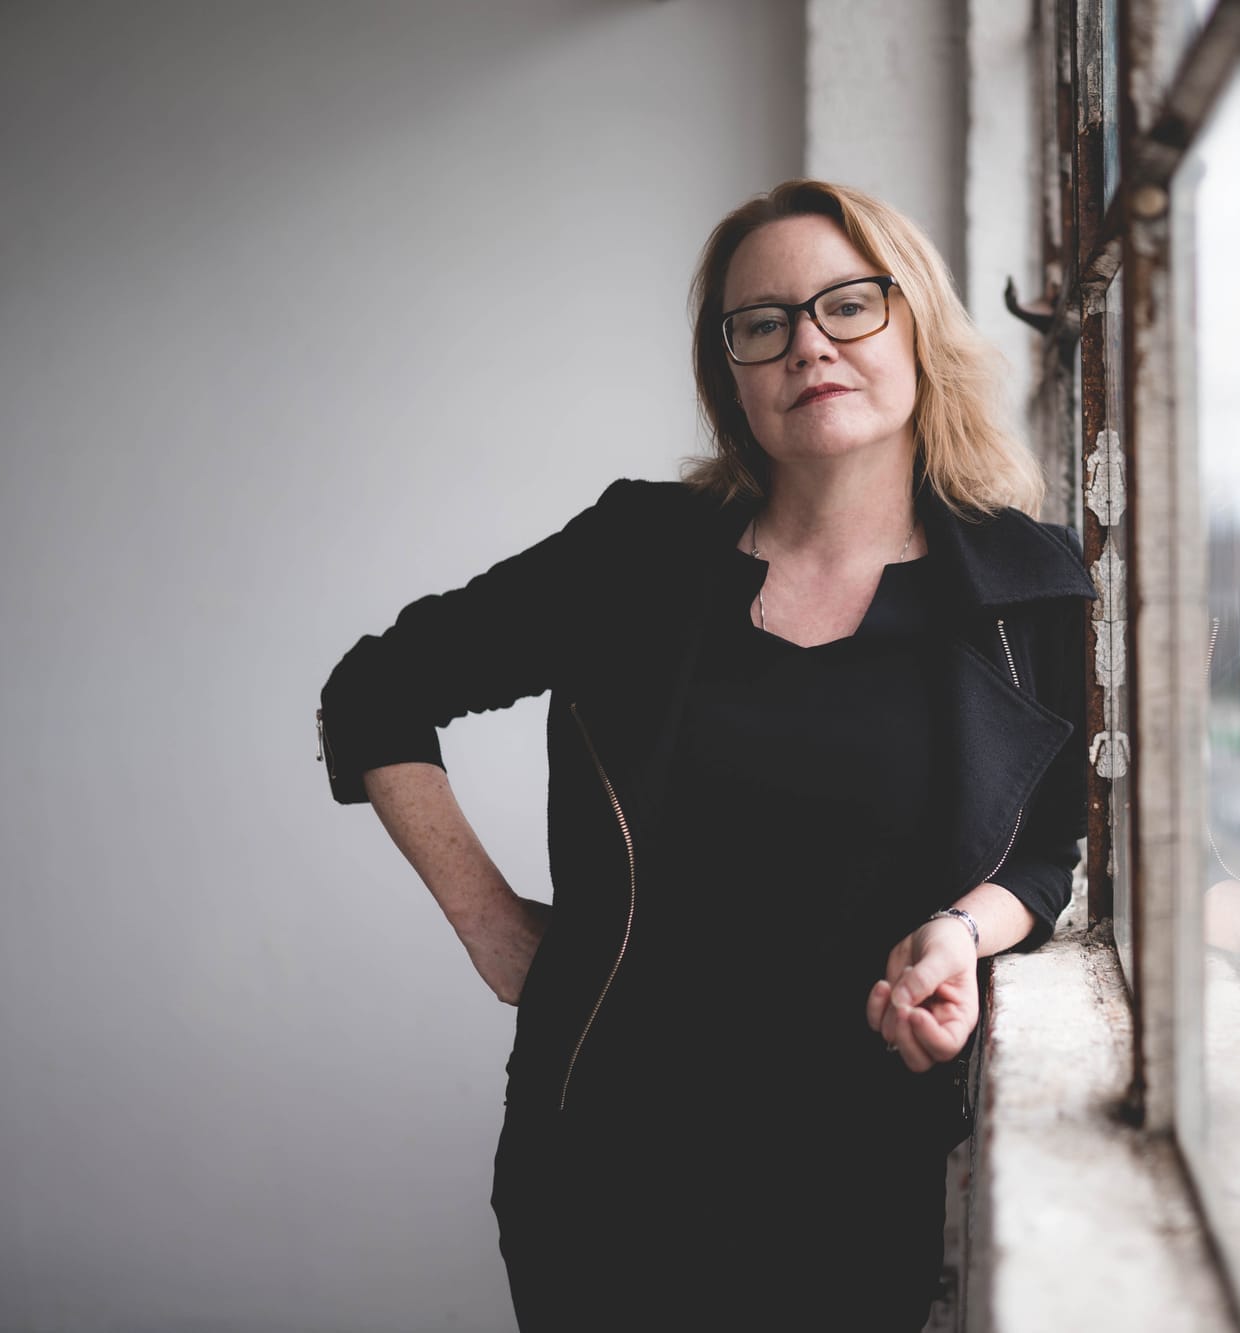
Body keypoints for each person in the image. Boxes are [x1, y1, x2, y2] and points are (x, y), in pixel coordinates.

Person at [317, 178, 1094, 1330]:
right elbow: (376, 690)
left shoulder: (1025, 590)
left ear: (915, 321)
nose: (806, 345)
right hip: (603, 1169)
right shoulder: (635, 555)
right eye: (762, 322)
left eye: (847, 305)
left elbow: (1047, 849)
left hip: (866, 1166)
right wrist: (489, 924)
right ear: (728, 368)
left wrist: (961, 934)